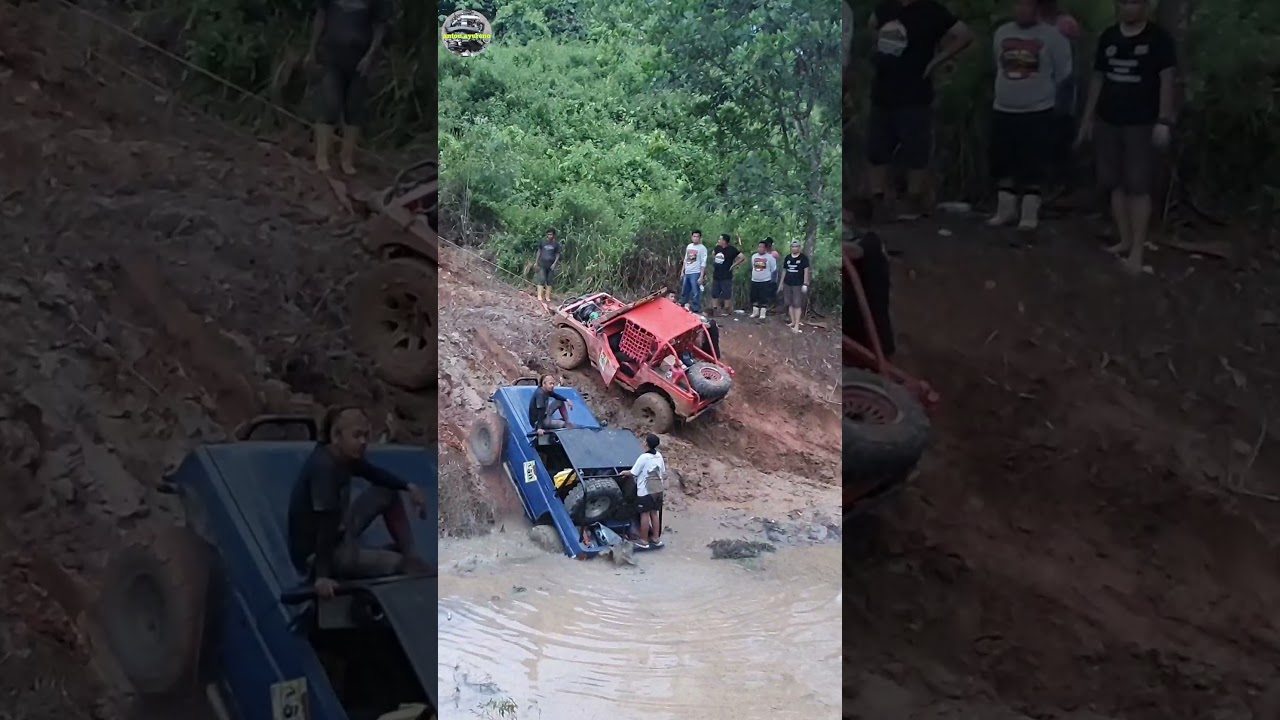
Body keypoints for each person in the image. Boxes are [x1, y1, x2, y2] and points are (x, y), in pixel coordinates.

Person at [287, 406, 431, 600]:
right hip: (320, 553)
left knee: (386, 492)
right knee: (400, 564)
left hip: (339, 529)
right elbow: (326, 524)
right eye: (356, 436)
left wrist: (409, 486)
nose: (363, 442)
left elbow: (373, 473)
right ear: (336, 436)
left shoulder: (344, 456)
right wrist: (322, 576)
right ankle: (411, 567)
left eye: (366, 435)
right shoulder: (324, 468)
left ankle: (410, 552)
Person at [1076, 0, 1176, 274]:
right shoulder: (1109, 36)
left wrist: (1164, 119)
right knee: (1113, 181)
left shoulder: (1159, 39)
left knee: (1138, 185)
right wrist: (1088, 119)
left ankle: (1138, 251)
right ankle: (1125, 239)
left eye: (1133, 2)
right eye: (1123, 3)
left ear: (1145, 6)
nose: (1127, 8)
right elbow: (1098, 78)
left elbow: (1167, 79)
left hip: (1141, 123)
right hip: (1108, 120)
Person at [867, 0, 974, 220]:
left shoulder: (933, 11)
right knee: (878, 147)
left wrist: (936, 61)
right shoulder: (887, 8)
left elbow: (964, 34)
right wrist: (877, 50)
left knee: (916, 147)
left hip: (915, 91)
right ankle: (877, 200)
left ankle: (913, 200)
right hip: (883, 89)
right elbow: (872, 24)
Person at [986, 0, 1074, 232]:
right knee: (1002, 161)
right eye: (1017, 4)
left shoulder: (1053, 37)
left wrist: (1059, 107)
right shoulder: (1001, 33)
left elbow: (1063, 74)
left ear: (1037, 7)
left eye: (1027, 4)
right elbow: (999, 66)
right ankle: (1005, 209)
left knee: (1034, 163)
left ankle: (1029, 212)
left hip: (1038, 110)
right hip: (1004, 108)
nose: (1021, 9)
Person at [307, 0, 390, 176]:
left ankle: (346, 159)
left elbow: (379, 28)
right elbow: (320, 17)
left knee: (354, 109)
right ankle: (321, 156)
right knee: (330, 104)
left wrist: (370, 56)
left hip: (359, 59)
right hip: (332, 56)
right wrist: (312, 50)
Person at [1039, 0, 1083, 194]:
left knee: (1059, 140)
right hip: (1035, 88)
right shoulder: (1034, 23)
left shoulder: (1065, 23)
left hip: (1061, 89)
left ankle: (1061, 188)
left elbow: (1071, 56)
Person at [846, 197, 896, 357]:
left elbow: (855, 251)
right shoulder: (864, 241)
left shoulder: (871, 241)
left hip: (871, 333)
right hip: (856, 325)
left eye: (843, 221)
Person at [619, 433, 666, 549]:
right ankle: (656, 539)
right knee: (654, 513)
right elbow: (663, 472)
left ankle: (644, 541)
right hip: (658, 489)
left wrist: (624, 472)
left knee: (644, 514)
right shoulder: (659, 456)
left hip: (646, 490)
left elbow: (633, 472)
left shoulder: (644, 457)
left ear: (646, 444)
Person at [777, 240, 812, 333]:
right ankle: (792, 322)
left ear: (799, 248)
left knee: (797, 304)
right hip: (788, 283)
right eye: (792, 246)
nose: (794, 248)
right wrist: (781, 283)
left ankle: (797, 325)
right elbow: (784, 270)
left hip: (798, 284)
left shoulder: (803, 258)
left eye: (796, 246)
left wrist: (805, 283)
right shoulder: (788, 258)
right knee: (789, 303)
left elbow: (806, 271)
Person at [708, 233, 745, 316]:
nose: (718, 240)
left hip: (726, 274)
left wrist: (733, 265)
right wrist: (715, 262)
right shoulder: (717, 248)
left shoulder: (732, 249)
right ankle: (715, 309)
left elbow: (742, 257)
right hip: (717, 273)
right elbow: (713, 254)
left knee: (726, 292)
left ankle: (726, 309)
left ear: (724, 241)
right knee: (715, 292)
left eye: (720, 239)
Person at [678, 230, 708, 313]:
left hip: (696, 272)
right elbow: (685, 259)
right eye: (694, 236)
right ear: (691, 237)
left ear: (700, 238)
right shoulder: (689, 246)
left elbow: (703, 262)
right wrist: (682, 271)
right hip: (687, 271)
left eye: (697, 237)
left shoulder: (702, 248)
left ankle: (696, 309)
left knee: (695, 292)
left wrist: (701, 276)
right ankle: (682, 306)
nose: (695, 238)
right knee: (685, 290)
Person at [748, 241, 777, 319]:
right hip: (755, 280)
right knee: (754, 297)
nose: (760, 248)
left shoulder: (770, 258)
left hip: (765, 281)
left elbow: (773, 269)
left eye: (762, 247)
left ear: (765, 248)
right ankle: (755, 312)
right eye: (759, 247)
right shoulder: (754, 256)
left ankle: (762, 313)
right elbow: (753, 267)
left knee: (764, 297)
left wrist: (772, 280)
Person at [533, 229, 561, 304]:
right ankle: (539, 296)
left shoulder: (556, 244)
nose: (549, 236)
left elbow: (557, 255)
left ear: (554, 235)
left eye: (551, 234)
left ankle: (547, 296)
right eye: (548, 234)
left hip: (551, 264)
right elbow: (539, 251)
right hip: (542, 263)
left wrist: (555, 263)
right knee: (541, 279)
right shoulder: (543, 242)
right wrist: (536, 262)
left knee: (549, 281)